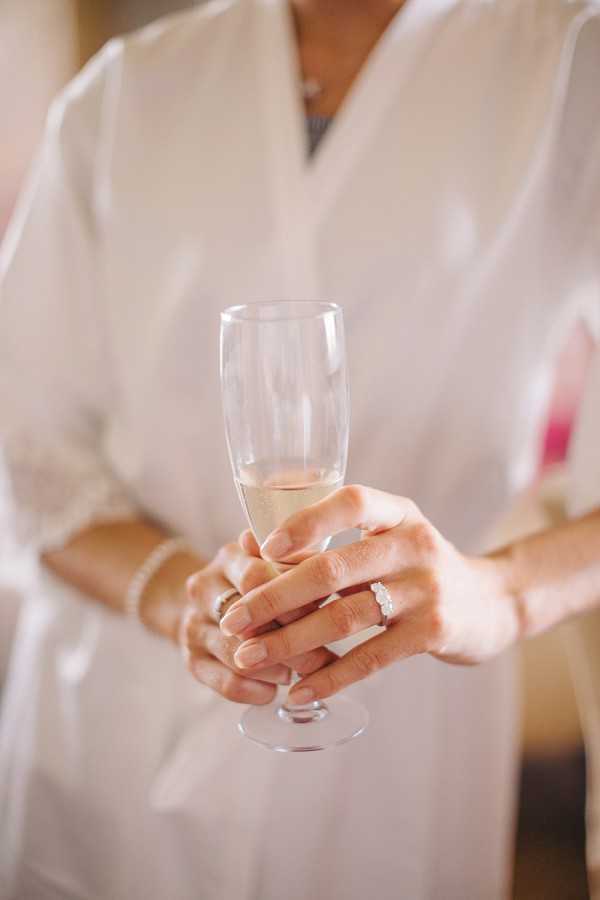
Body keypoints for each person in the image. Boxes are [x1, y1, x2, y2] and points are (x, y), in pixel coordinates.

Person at [0, 0, 599, 897]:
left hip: (401, 729)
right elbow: (23, 439)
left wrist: (502, 595)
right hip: (112, 717)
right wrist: (180, 599)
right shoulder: (123, 92)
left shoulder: (569, 64)